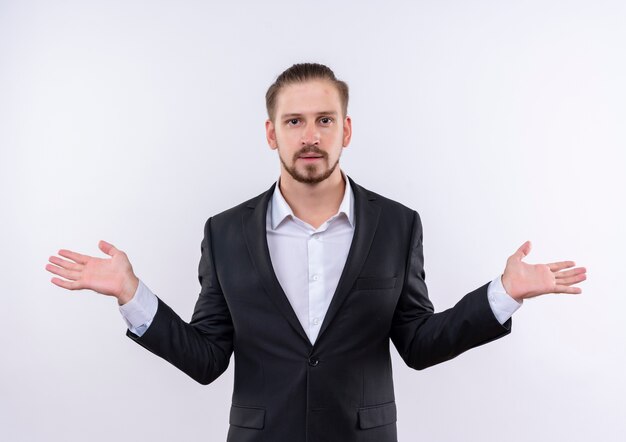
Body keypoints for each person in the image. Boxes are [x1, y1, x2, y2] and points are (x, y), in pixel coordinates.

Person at [46, 63, 586, 442]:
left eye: (324, 120)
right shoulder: (225, 232)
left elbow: (419, 343)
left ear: (345, 129)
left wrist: (504, 295)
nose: (310, 136)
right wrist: (131, 294)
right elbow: (207, 358)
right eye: (294, 121)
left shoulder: (398, 225)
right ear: (270, 133)